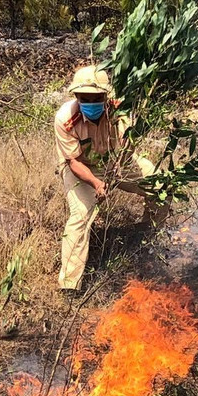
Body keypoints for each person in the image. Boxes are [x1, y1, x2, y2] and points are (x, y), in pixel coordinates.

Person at [53, 64, 159, 293]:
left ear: (105, 95)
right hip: (82, 168)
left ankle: (148, 236)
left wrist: (121, 163)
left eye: (96, 97)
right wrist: (98, 184)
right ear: (76, 95)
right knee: (80, 216)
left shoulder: (120, 110)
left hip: (117, 163)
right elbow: (74, 162)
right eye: (84, 97)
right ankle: (69, 285)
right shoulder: (65, 118)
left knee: (160, 185)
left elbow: (129, 143)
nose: (90, 102)